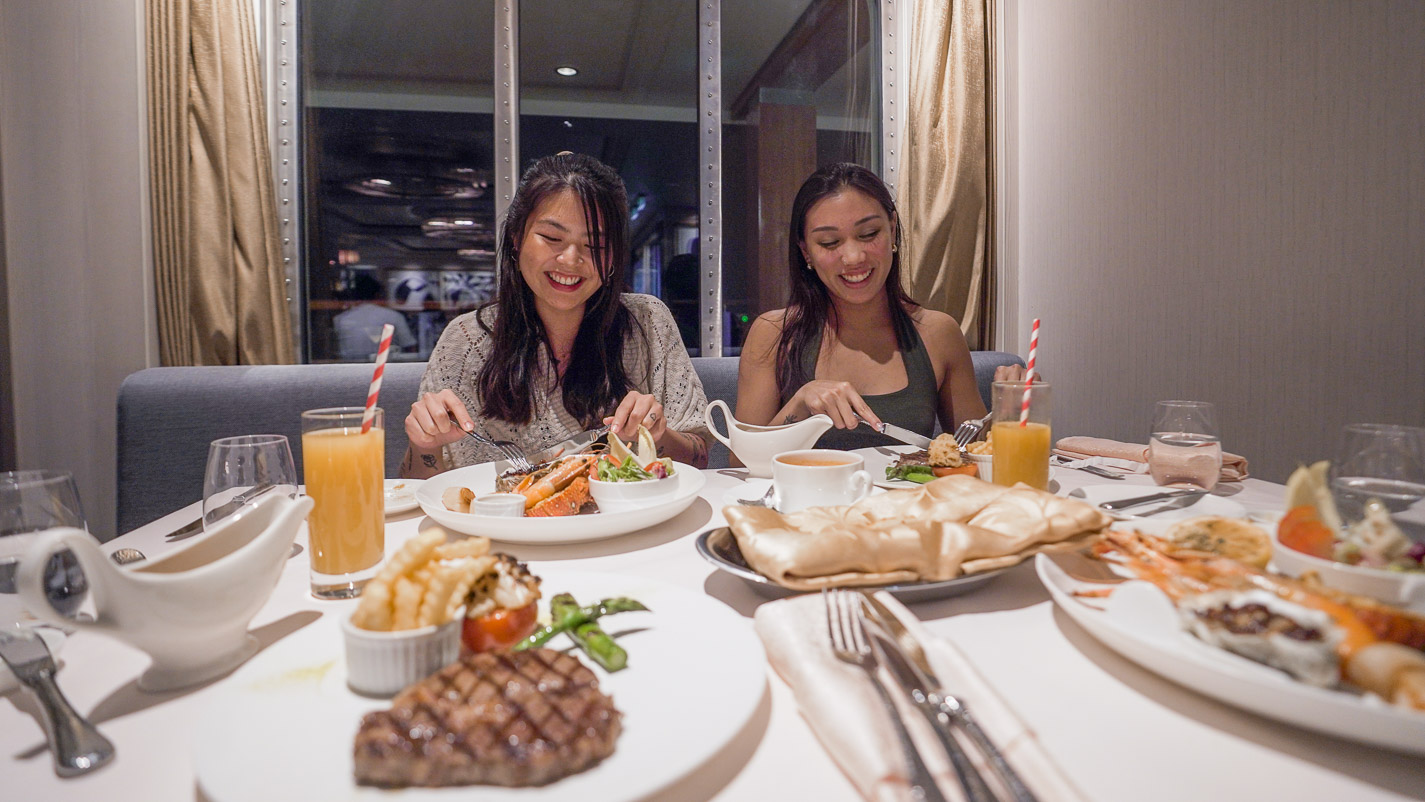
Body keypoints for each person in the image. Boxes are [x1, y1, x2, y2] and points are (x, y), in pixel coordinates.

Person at [400, 152, 711, 477]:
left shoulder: (648, 322)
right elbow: (420, 487)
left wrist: (658, 435)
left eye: (596, 246)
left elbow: (700, 457)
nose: (570, 259)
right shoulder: (465, 341)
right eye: (552, 238)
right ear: (517, 238)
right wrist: (426, 444)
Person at [735, 162, 1024, 451]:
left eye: (869, 234)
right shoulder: (774, 334)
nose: (853, 257)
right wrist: (801, 403)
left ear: (892, 229)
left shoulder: (938, 333)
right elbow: (743, 461)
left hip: (909, 497)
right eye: (830, 242)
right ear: (806, 252)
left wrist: (1008, 413)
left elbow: (972, 454)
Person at [332, 273, 417, 361]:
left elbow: (334, 351)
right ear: (378, 294)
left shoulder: (340, 319)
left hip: (347, 369)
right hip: (387, 370)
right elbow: (410, 347)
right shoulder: (394, 316)